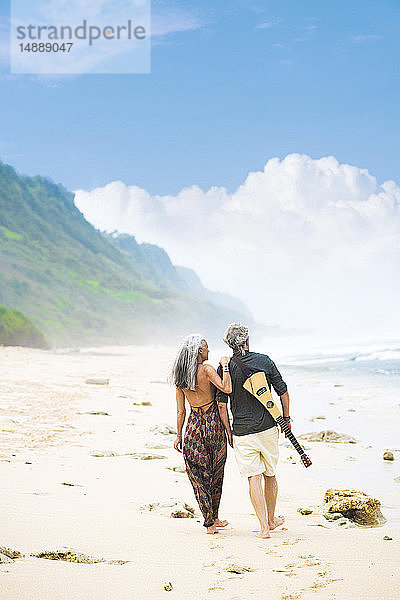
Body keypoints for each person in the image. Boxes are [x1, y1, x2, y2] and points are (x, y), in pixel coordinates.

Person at [215, 323, 291, 539]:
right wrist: (286, 419)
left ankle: (263, 528)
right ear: (247, 340)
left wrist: (228, 431)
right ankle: (271, 519)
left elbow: (222, 405)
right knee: (270, 474)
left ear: (229, 345)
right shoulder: (264, 361)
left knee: (253, 478)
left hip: (242, 431)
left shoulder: (225, 368)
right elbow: (283, 392)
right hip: (268, 427)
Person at [170, 334, 233, 534]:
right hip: (213, 424)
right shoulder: (207, 370)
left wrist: (179, 435)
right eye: (206, 348)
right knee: (216, 473)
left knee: (198, 476)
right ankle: (212, 519)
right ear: (199, 351)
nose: (209, 351)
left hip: (193, 427)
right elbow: (227, 388)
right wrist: (226, 366)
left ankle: (210, 521)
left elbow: (181, 411)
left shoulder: (180, 377)